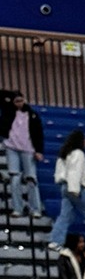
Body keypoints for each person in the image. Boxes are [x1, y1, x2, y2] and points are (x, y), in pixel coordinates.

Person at [0, 91, 46, 219]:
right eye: (16, 101)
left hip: (28, 149)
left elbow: (38, 134)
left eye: (21, 100)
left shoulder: (32, 115)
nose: (19, 103)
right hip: (12, 147)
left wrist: (39, 151)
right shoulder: (8, 111)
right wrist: (12, 94)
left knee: (31, 178)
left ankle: (35, 209)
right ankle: (17, 208)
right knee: (14, 178)